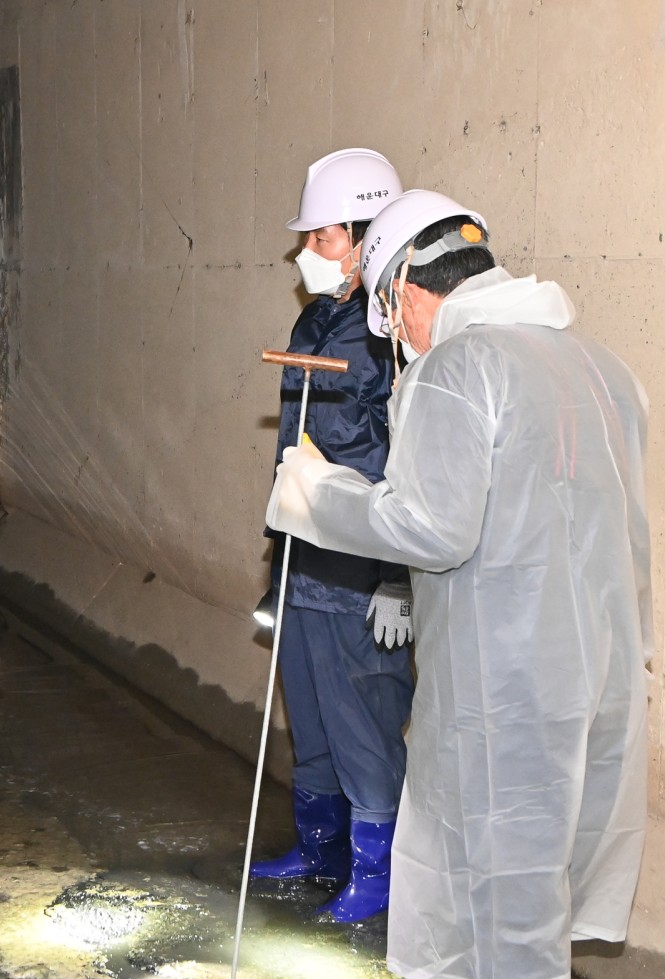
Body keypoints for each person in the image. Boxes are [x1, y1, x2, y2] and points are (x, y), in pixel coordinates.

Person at [266, 188, 653, 979]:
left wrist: (317, 492)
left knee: (502, 893)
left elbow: (428, 528)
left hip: (502, 691)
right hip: (595, 676)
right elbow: (625, 538)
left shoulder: (458, 367)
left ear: (408, 288)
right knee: (531, 887)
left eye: (390, 316)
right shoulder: (599, 367)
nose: (397, 337)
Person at [248, 147, 416, 926]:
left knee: (364, 724)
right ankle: (320, 849)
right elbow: (296, 450)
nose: (305, 254)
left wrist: (398, 577)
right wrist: (276, 562)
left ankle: (377, 873)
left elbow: (409, 460)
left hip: (359, 572)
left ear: (363, 238)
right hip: (304, 560)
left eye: (319, 238)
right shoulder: (314, 320)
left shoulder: (392, 336)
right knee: (312, 718)